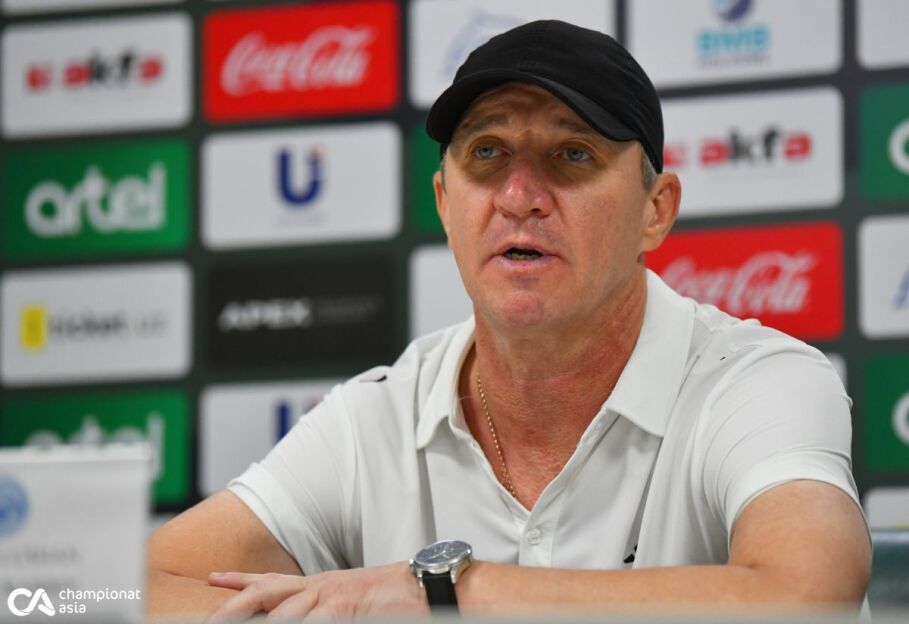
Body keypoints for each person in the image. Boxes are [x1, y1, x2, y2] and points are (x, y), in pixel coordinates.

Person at [148, 20, 870, 619]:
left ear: (656, 210)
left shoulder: (756, 382)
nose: (519, 195)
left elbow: (807, 597)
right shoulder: (377, 418)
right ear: (444, 203)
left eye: (572, 153)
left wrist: (437, 593)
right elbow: (126, 589)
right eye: (486, 153)